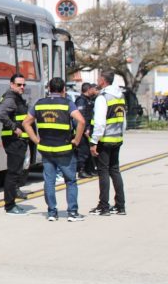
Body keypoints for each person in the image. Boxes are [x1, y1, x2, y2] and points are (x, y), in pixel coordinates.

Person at [23, 77, 85, 222]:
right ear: (63, 89)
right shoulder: (67, 104)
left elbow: (26, 122)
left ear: (49, 89)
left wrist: (36, 140)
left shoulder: (39, 104)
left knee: (49, 181)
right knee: (70, 181)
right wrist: (76, 140)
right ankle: (72, 212)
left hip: (46, 149)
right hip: (64, 149)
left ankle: (52, 212)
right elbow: (81, 121)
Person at [88, 71, 127, 216]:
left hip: (104, 140)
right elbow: (123, 120)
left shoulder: (102, 97)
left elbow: (99, 123)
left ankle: (103, 206)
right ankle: (120, 206)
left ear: (103, 80)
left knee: (103, 172)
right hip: (117, 138)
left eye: (99, 78)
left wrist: (94, 141)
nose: (97, 80)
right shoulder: (120, 96)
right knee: (115, 171)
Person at [0, 73, 31, 215]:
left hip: (18, 140)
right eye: (19, 84)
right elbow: (1, 114)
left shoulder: (16, 98)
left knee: (16, 171)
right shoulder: (10, 98)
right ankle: (10, 205)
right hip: (14, 140)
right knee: (13, 173)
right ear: (12, 84)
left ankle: (11, 203)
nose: (22, 87)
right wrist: (14, 127)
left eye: (24, 84)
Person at [75, 82, 98, 178]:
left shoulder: (88, 100)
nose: (95, 90)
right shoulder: (81, 101)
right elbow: (81, 116)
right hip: (83, 130)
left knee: (88, 152)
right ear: (88, 90)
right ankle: (81, 170)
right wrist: (85, 130)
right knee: (83, 151)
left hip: (89, 129)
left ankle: (90, 169)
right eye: (93, 89)